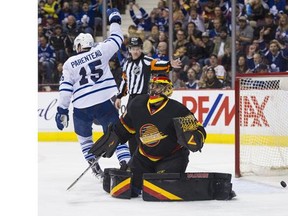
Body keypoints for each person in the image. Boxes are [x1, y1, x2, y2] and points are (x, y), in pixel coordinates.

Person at [89, 74, 207, 197]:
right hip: (143, 157)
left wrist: (194, 137)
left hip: (171, 158)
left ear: (167, 89)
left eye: (158, 87)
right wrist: (113, 137)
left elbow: (199, 130)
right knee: (124, 189)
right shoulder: (137, 104)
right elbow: (125, 126)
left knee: (160, 190)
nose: (153, 89)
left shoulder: (178, 110)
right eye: (152, 86)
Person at [55, 8, 131, 178]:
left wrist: (62, 110)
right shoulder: (101, 50)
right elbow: (117, 39)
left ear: (79, 46)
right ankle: (125, 163)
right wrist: (114, 19)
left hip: (82, 107)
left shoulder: (69, 63)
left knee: (84, 138)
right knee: (117, 134)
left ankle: (95, 168)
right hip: (105, 101)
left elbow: (66, 89)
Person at [114, 37, 182, 155]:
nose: (135, 51)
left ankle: (147, 156)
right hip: (131, 100)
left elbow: (158, 64)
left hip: (143, 99)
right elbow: (125, 81)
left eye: (138, 48)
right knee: (131, 129)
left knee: (143, 128)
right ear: (129, 49)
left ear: (141, 49)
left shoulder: (146, 61)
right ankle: (134, 159)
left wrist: (170, 64)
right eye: (133, 49)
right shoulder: (127, 64)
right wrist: (119, 96)